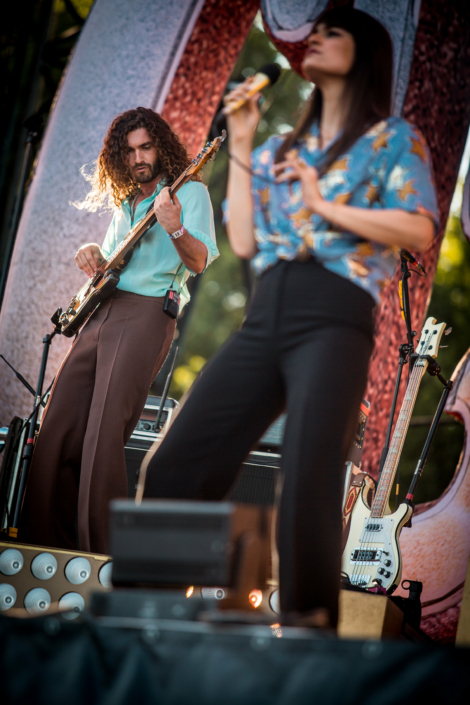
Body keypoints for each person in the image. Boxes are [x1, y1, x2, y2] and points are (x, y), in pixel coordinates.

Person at [143, 8, 438, 628]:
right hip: (266, 311)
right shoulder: (282, 147)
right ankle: (154, 618)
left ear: (364, 55)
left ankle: (310, 635)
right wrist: (245, 143)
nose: (316, 39)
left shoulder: (391, 140)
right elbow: (247, 243)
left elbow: (416, 226)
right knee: (175, 463)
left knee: (307, 480)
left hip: (335, 313)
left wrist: (324, 203)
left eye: (332, 33)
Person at [20, 108, 218, 554]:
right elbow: (108, 264)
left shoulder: (191, 192)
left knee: (103, 431)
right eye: (128, 152)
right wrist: (90, 252)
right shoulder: (127, 202)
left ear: (161, 145)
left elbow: (199, 261)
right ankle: (42, 546)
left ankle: (99, 555)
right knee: (59, 426)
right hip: (102, 312)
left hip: (148, 313)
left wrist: (176, 226)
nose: (138, 158)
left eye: (145, 146)